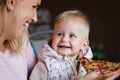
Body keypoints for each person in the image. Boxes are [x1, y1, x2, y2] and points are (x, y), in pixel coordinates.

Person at [29, 10, 120, 80]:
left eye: (72, 36)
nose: (64, 39)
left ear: (84, 45)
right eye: (59, 34)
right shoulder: (46, 65)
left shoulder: (86, 64)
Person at [0, 0, 41, 80]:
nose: (35, 18)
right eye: (33, 6)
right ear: (11, 2)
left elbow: (39, 73)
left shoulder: (21, 40)